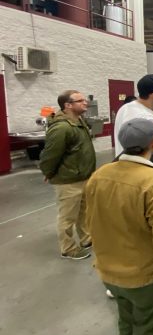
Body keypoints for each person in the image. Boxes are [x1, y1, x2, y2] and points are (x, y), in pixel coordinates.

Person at [85, 118, 153, 335]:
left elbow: (90, 221)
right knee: (148, 327)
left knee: (126, 320)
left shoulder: (99, 175)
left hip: (110, 271)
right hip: (145, 276)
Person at [39, 90, 96, 260]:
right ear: (68, 105)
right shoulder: (62, 127)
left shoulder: (79, 121)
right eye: (80, 100)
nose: (85, 102)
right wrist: (47, 172)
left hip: (83, 176)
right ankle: (68, 248)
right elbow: (50, 155)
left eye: (84, 99)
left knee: (84, 211)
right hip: (68, 180)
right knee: (68, 216)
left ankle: (86, 239)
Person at [113, 74, 153, 156]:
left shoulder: (124, 108)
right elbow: (150, 153)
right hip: (139, 167)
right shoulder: (148, 119)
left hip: (124, 163)